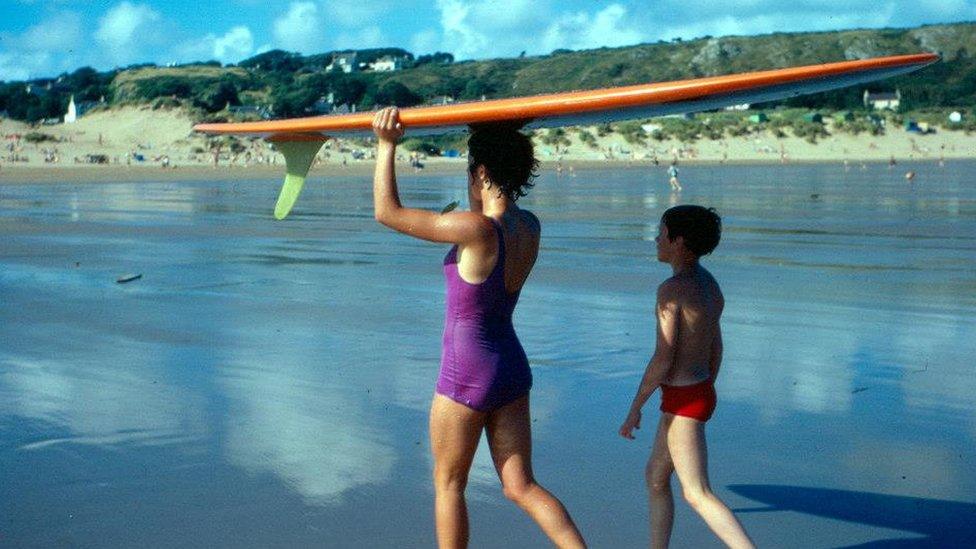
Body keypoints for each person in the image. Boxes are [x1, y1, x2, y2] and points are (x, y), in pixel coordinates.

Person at [371, 107, 586, 549]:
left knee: (449, 485)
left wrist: (386, 145)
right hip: (511, 367)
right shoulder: (529, 226)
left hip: (466, 373)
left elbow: (386, 212)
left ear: (481, 173)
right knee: (521, 486)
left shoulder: (475, 229)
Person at [619, 205, 754, 549]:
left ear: (679, 242)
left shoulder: (672, 290)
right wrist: (705, 388)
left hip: (684, 399)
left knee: (697, 493)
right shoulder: (709, 285)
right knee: (656, 476)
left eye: (661, 234)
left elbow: (663, 358)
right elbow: (716, 347)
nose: (656, 239)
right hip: (697, 391)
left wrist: (635, 407)